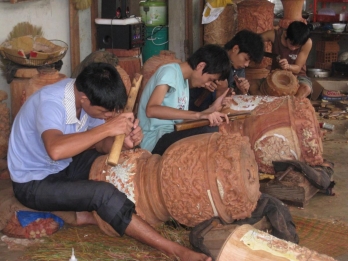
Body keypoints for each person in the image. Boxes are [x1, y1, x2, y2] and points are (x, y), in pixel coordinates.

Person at [7, 62, 212, 261]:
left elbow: (99, 145)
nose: (107, 116)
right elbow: (56, 150)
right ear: (84, 98)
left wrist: (124, 143)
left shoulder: (92, 99)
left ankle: (104, 215)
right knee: (102, 193)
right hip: (33, 182)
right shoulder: (51, 102)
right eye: (105, 113)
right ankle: (175, 250)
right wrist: (108, 127)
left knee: (118, 167)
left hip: (65, 165)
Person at [138, 44, 231, 155]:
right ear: (201, 66)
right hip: (154, 141)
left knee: (215, 127)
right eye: (210, 79)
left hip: (170, 133)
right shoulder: (170, 72)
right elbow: (151, 110)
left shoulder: (184, 82)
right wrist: (198, 115)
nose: (208, 84)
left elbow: (180, 119)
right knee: (208, 132)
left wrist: (212, 110)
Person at [189, 30, 264, 111]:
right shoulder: (212, 57)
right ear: (235, 48)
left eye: (249, 62)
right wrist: (204, 82)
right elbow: (188, 80)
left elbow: (230, 98)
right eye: (245, 59)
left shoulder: (239, 68)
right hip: (192, 108)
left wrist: (241, 91)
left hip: (216, 111)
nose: (246, 65)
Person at [255, 21, 312, 98]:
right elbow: (254, 39)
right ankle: (267, 105)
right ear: (286, 34)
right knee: (252, 85)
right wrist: (256, 51)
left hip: (298, 76)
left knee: (306, 89)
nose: (293, 48)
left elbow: (298, 68)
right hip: (275, 76)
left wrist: (288, 66)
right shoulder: (274, 35)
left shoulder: (307, 42)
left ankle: (292, 106)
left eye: (297, 46)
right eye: (291, 43)